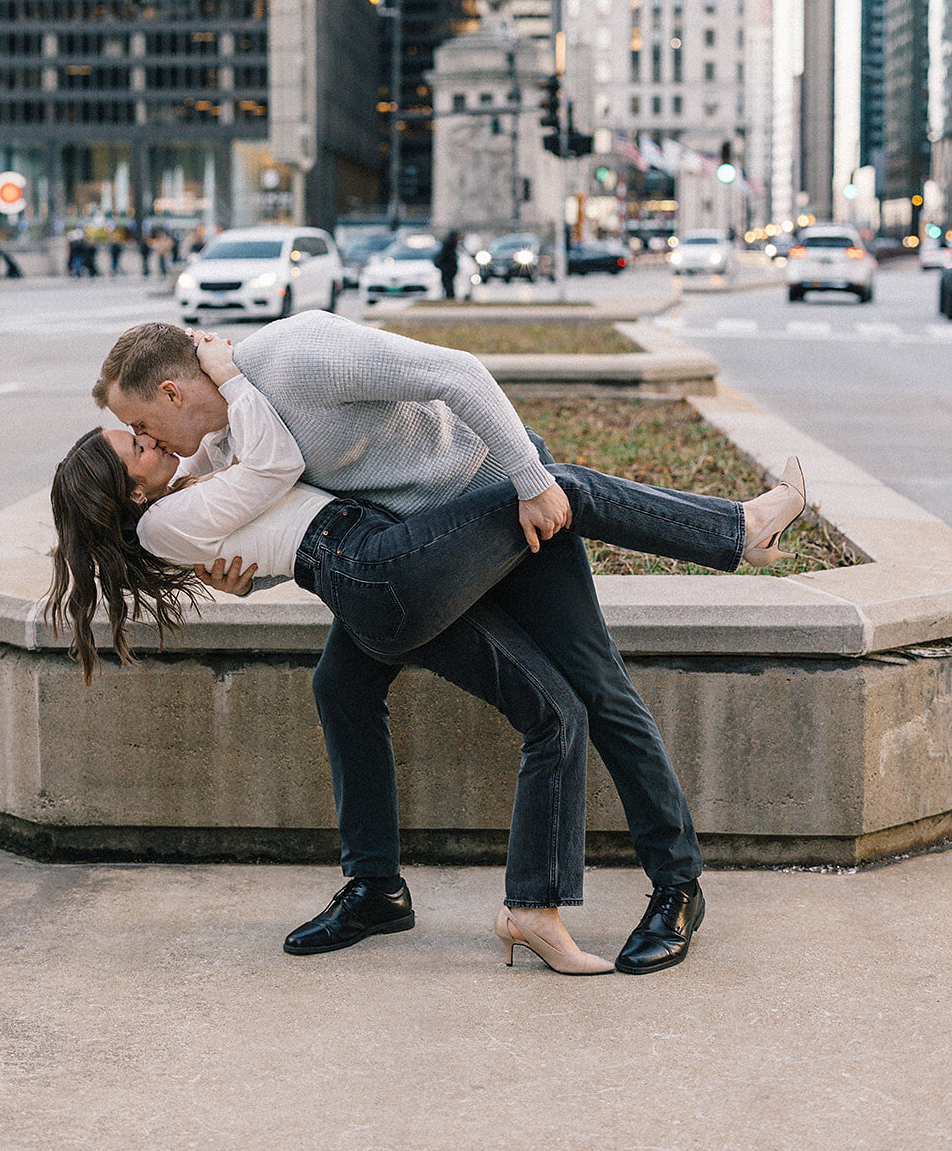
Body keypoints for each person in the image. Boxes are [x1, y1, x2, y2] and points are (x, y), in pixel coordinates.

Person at [53, 331, 803, 974]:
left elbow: (457, 374)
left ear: (174, 391)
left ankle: (676, 888)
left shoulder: (293, 356)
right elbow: (278, 525)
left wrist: (533, 481)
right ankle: (375, 889)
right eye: (137, 442)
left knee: (595, 693)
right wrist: (239, 585)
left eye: (141, 424)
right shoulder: (219, 440)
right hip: (410, 558)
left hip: (504, 504)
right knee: (340, 687)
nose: (155, 446)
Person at [435, 231, 460, 300]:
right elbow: (445, 256)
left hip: (448, 267)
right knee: (448, 283)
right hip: (448, 267)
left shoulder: (451, 244)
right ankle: (450, 296)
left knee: (447, 283)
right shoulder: (450, 244)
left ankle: (449, 296)